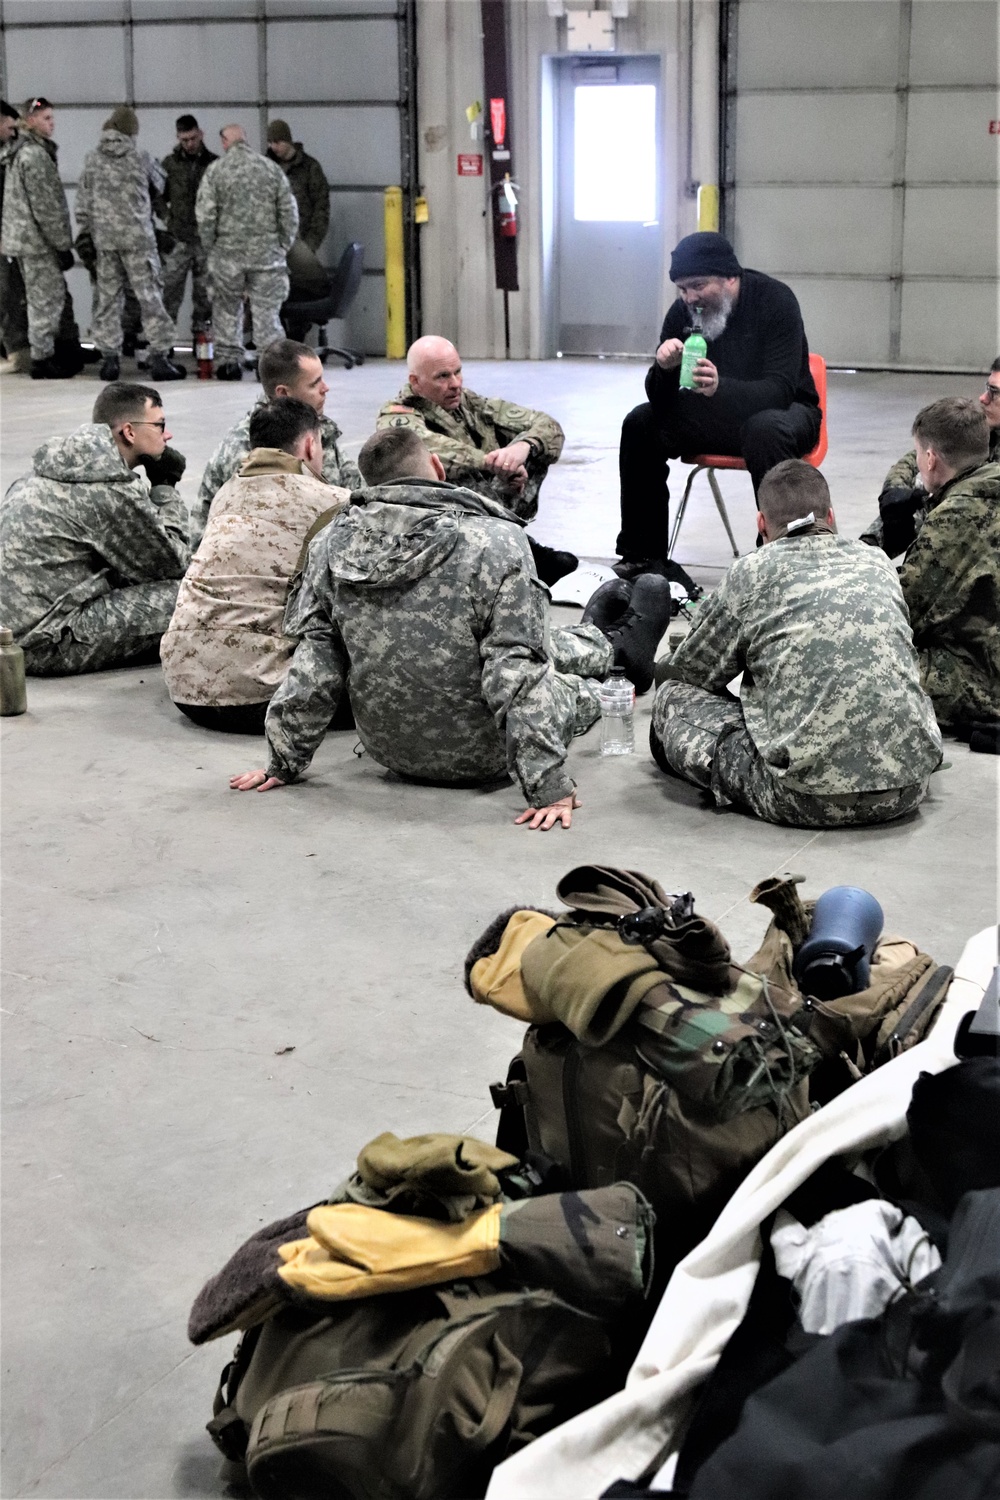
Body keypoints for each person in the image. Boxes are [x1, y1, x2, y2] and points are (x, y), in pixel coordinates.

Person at [230, 428, 670, 828]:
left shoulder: (330, 543)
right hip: (482, 755)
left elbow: (316, 666)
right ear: (437, 468)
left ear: (369, 485)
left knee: (511, 641)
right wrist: (548, 786)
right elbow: (515, 675)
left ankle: (598, 640)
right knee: (558, 682)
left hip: (390, 749)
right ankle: (619, 666)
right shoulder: (495, 542)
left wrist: (281, 761)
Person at [649, 460, 942, 828]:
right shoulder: (877, 562)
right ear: (830, 517)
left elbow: (691, 673)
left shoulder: (752, 571)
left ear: (761, 525)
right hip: (907, 788)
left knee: (671, 699)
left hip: (802, 799)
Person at [616, 231, 821, 575]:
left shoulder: (775, 300)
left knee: (765, 430)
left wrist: (720, 388)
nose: (690, 297)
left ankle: (780, 558)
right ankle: (642, 556)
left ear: (729, 277)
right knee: (640, 424)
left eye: (698, 285)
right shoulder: (681, 314)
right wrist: (663, 370)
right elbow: (661, 400)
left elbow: (781, 389)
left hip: (787, 411)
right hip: (718, 415)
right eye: (682, 289)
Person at [161, 398, 349, 733]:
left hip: (185, 688)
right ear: (309, 445)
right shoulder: (331, 500)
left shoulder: (225, 495)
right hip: (264, 697)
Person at [0, 382, 190, 675]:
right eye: (159, 424)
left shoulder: (56, 467)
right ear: (129, 432)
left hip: (10, 633)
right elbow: (175, 564)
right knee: (196, 595)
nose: (167, 434)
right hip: (44, 643)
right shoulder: (110, 490)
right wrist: (165, 487)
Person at [376, 334, 576, 585]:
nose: (455, 383)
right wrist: (491, 461)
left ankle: (513, 544)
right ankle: (507, 553)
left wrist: (522, 448)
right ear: (416, 382)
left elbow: (548, 425)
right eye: (443, 376)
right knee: (445, 469)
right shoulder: (397, 414)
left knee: (536, 447)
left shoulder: (469, 403)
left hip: (487, 513)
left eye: (457, 372)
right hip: (436, 530)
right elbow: (426, 447)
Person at [890, 398, 1000, 733]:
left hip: (986, 678)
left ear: (931, 458)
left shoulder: (957, 517)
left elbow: (903, 611)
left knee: (863, 667)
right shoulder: (987, 485)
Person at [195, 337, 362, 537]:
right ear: (283, 393)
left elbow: (353, 490)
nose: (325, 388)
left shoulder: (315, 426)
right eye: (314, 384)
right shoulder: (251, 449)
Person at [75, 106, 185, 384]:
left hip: (105, 241)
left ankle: (110, 360)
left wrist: (88, 232)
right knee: (149, 296)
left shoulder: (92, 159)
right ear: (131, 131)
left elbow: (83, 203)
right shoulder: (140, 157)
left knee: (108, 299)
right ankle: (159, 356)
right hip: (138, 240)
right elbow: (162, 186)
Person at [862, 361, 1000, 557]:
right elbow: (921, 455)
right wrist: (897, 492)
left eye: (994, 392)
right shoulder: (985, 428)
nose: (983, 398)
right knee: (926, 485)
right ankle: (863, 556)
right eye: (987, 388)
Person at [195, 124, 298, 381]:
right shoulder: (270, 169)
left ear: (224, 142)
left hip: (228, 255)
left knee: (227, 308)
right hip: (266, 255)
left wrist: (213, 248)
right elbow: (289, 211)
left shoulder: (216, 171)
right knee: (266, 311)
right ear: (246, 139)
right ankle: (271, 368)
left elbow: (205, 216)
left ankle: (229, 362)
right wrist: (282, 245)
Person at [0, 96, 87, 379]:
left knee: (43, 298)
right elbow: (46, 207)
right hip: (37, 242)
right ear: (31, 121)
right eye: (46, 119)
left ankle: (48, 352)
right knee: (44, 301)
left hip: (24, 240)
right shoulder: (33, 155)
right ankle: (42, 358)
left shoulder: (20, 151)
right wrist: (62, 245)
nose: (52, 124)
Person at [158, 113, 217, 339]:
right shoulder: (170, 164)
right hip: (179, 239)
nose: (189, 144)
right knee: (169, 292)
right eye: (184, 140)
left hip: (205, 240)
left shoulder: (213, 164)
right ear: (178, 138)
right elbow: (156, 195)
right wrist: (166, 218)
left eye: (193, 138)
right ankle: (165, 342)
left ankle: (201, 341)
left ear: (200, 134)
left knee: (205, 296)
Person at [265, 119, 330, 255]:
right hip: (271, 247)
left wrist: (310, 246)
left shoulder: (310, 168)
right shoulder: (266, 167)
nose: (273, 147)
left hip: (301, 244)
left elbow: (321, 209)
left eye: (277, 142)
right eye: (270, 143)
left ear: (288, 141)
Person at [0, 101, 30, 372]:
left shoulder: (15, 152)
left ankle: (17, 349)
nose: (13, 131)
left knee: (10, 292)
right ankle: (12, 348)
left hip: (9, 234)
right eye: (8, 126)